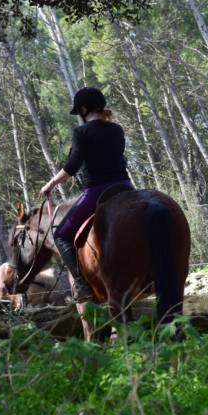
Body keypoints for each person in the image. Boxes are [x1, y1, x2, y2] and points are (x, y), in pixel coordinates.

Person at [39, 87, 133, 302]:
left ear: (83, 109)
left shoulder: (81, 133)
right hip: (126, 186)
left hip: (98, 190)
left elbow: (72, 166)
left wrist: (50, 185)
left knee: (61, 236)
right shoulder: (117, 129)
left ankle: (82, 286)